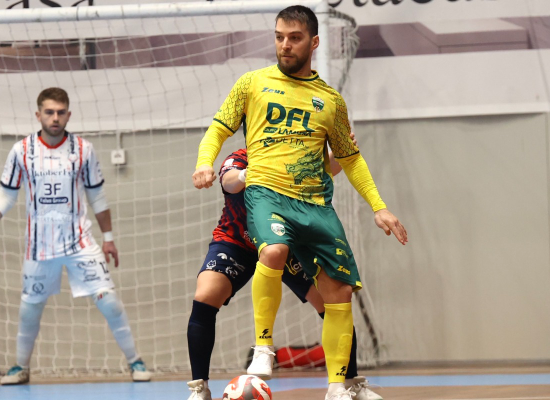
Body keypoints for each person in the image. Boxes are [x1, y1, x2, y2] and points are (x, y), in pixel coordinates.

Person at [193, 6, 407, 400]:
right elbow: (217, 129)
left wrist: (379, 206)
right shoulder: (252, 83)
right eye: (279, 37)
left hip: (314, 205)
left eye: (294, 38)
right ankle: (262, 348)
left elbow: (349, 159)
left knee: (340, 292)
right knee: (273, 250)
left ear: (314, 42)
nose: (285, 45)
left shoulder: (330, 101)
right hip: (267, 196)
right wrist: (205, 162)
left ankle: (340, 387)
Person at [187, 142, 383, 400]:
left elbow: (326, 170)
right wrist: (249, 173)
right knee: (205, 296)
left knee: (333, 301)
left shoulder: (295, 155)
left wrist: (341, 153)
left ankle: (350, 383)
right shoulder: (240, 158)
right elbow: (228, 182)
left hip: (285, 244)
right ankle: (200, 388)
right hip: (238, 241)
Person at [0, 87, 151, 384]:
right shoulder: (21, 151)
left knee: (109, 301)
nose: (55, 118)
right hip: (39, 246)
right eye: (49, 112)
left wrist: (108, 237)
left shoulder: (83, 149)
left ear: (68, 114)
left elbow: (97, 197)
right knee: (30, 308)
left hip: (79, 242)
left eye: (60, 112)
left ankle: (135, 361)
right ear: (38, 115)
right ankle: (20, 367)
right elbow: (7, 195)